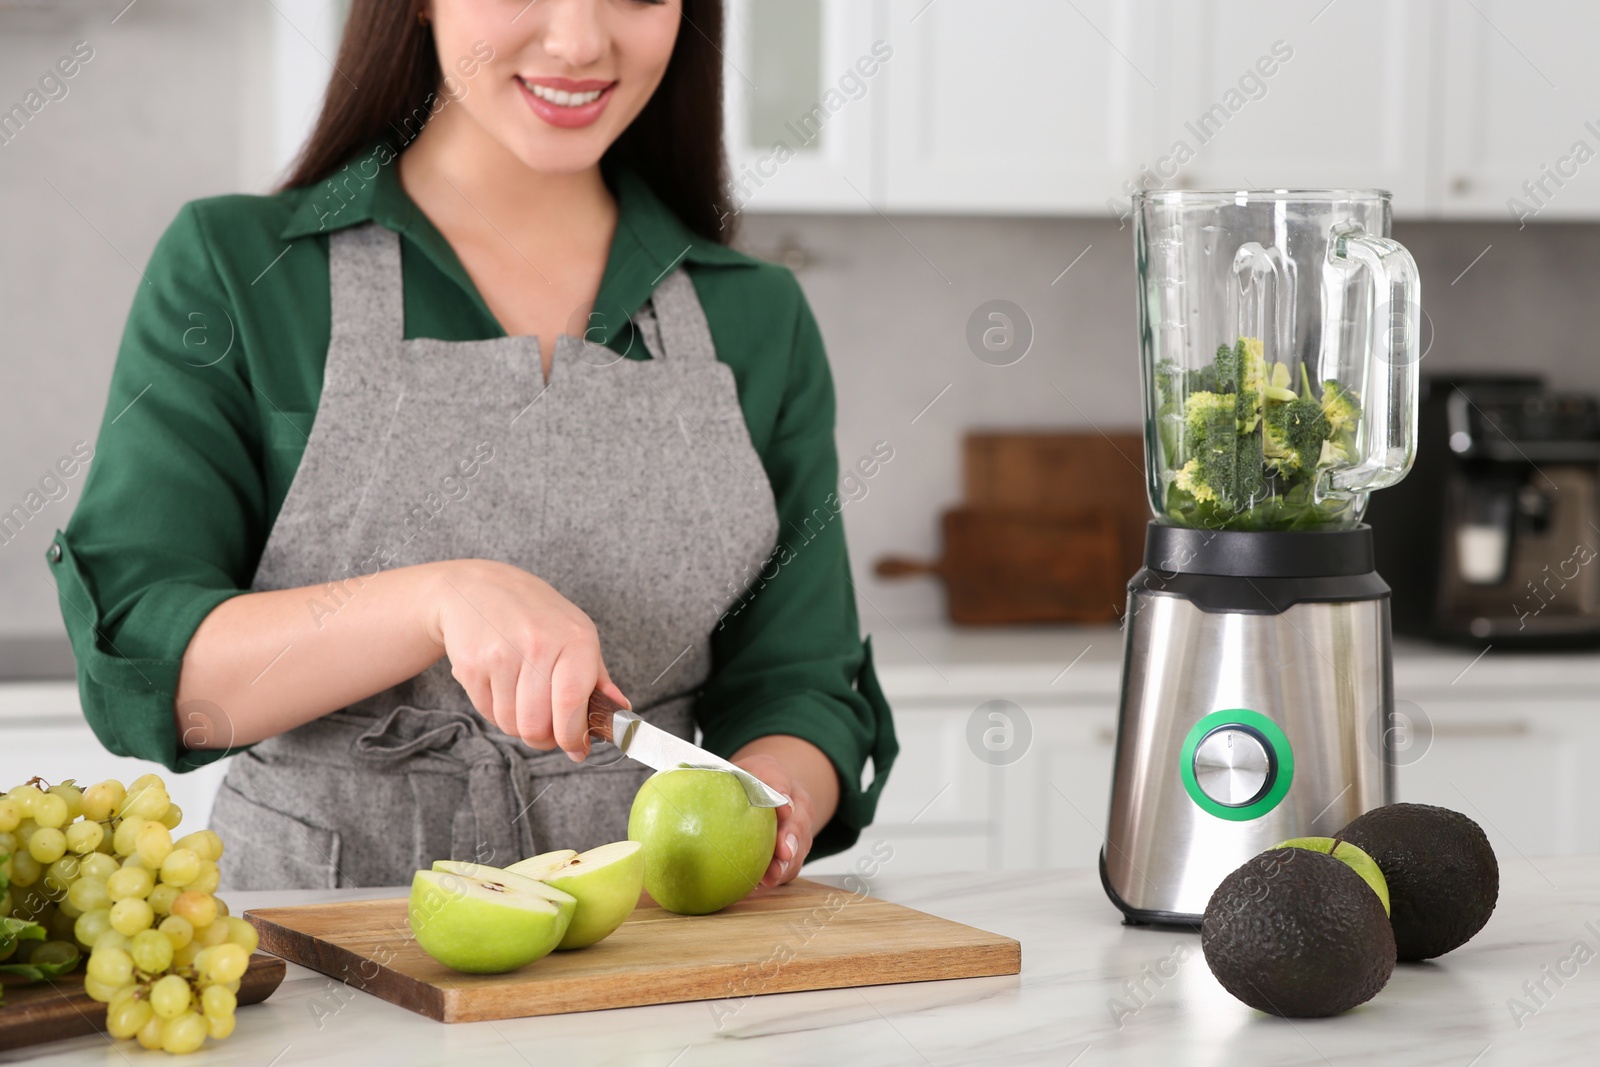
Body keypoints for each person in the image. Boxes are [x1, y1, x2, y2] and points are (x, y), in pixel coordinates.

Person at [50, 0, 896, 891]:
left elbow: (797, 675)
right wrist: (438, 600)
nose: (578, 41)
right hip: (308, 958)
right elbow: (148, 671)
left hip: (645, 954)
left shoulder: (756, 314)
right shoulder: (240, 268)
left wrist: (777, 791)